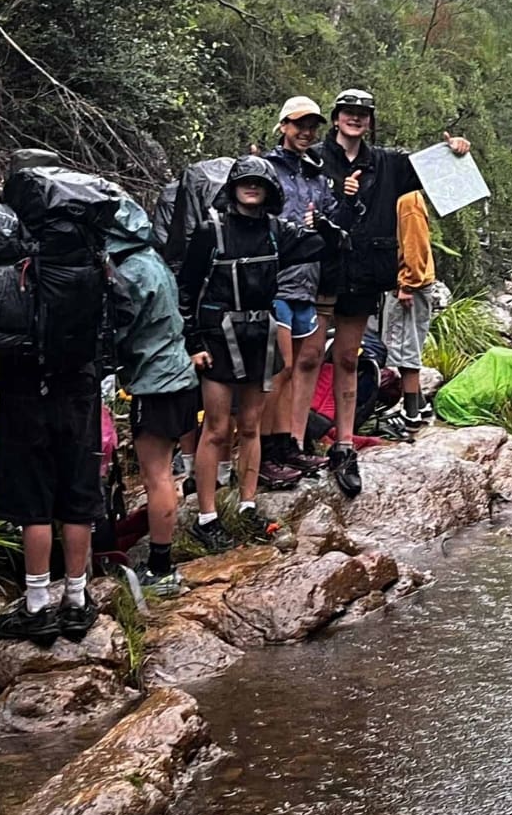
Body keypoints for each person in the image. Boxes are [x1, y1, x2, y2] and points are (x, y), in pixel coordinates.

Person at [177, 156, 335, 549]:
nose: (251, 188)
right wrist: (193, 342)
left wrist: (329, 223)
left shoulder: (277, 232)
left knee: (250, 425)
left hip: (259, 333)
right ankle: (207, 516)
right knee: (215, 428)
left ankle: (247, 506)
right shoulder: (209, 232)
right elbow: (185, 290)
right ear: (232, 188)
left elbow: (324, 247)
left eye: (258, 183)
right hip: (217, 335)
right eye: (244, 182)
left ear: (269, 191)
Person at [320, 90, 468, 500]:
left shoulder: (387, 163)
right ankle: (293, 443)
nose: (355, 119)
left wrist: (454, 150)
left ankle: (344, 444)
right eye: (348, 112)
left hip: (365, 274)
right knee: (305, 358)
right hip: (319, 270)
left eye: (363, 114)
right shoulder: (315, 158)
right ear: (335, 118)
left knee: (348, 358)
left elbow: (433, 169)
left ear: (370, 121)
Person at [0, 150, 110, 645]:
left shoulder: (9, 250)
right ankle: (78, 601)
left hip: (22, 384)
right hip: (78, 384)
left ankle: (38, 605)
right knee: (77, 496)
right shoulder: (90, 246)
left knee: (33, 500)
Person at [110, 193, 197, 596]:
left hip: (156, 383)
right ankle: (162, 559)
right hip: (177, 375)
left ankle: (161, 567)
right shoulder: (152, 260)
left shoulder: (130, 270)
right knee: (164, 471)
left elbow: (124, 327)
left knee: (157, 474)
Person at [260, 97, 334, 486]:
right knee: (280, 369)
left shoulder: (316, 176)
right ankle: (267, 452)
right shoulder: (267, 170)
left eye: (312, 126)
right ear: (283, 125)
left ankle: (289, 443)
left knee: (295, 369)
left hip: (307, 281)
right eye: (299, 124)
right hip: (274, 281)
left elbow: (331, 218)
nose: (306, 132)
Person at [382, 190, 440, 430]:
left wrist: (408, 283)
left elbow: (416, 243)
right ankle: (421, 403)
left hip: (410, 286)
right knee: (407, 342)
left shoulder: (407, 199)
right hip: (408, 282)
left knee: (407, 346)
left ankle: (411, 413)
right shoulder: (403, 197)